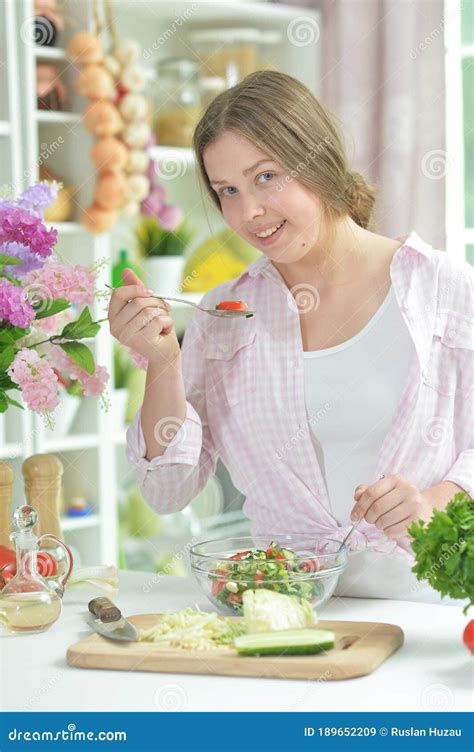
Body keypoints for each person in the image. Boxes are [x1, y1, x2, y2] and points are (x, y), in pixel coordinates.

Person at [108, 71, 473, 603]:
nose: (248, 212)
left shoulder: (443, 288)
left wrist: (436, 501)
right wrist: (163, 359)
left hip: (429, 609)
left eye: (266, 178)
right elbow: (168, 490)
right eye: (227, 191)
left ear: (318, 162)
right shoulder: (224, 315)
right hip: (283, 612)